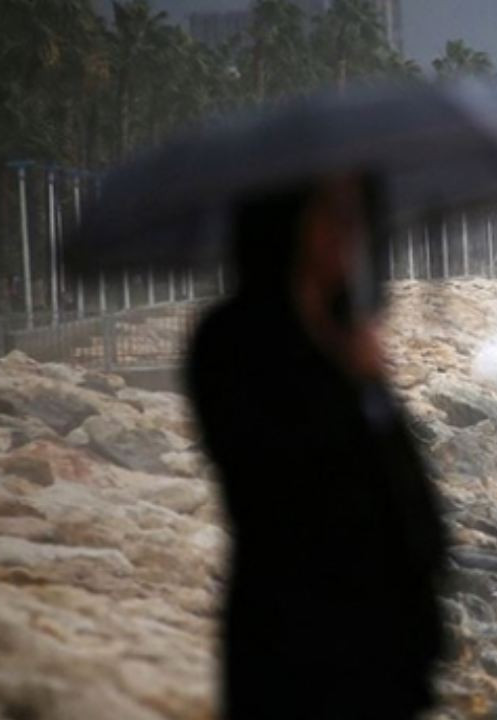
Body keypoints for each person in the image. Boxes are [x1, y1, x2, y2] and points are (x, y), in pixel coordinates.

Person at [186, 173, 447, 719]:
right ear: (285, 222)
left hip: (383, 646)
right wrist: (350, 377)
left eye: (356, 216)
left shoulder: (346, 329)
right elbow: (273, 480)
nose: (348, 233)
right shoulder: (231, 339)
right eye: (331, 214)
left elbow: (400, 482)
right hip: (294, 640)